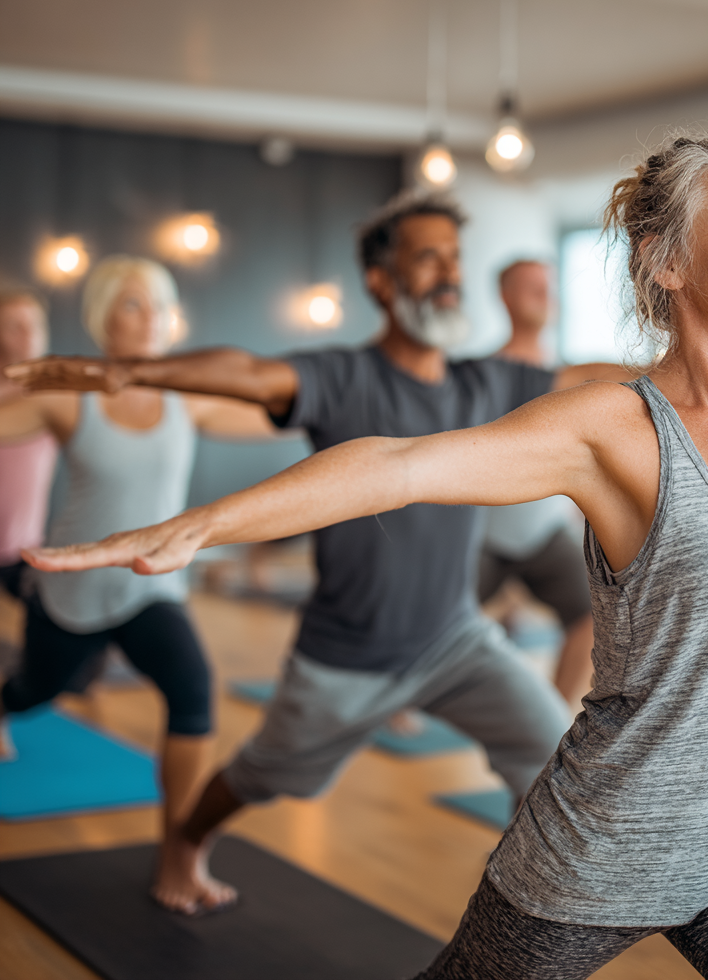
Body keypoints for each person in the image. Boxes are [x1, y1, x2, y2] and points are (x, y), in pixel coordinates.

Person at [18, 120, 708, 977]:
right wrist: (198, 523)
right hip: (597, 854)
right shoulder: (615, 430)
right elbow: (395, 466)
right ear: (664, 261)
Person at [8, 191, 624, 917]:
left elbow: (589, 378)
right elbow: (246, 370)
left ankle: (528, 906)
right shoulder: (344, 376)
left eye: (454, 259)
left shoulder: (481, 382)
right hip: (345, 659)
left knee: (551, 751)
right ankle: (184, 840)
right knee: (260, 778)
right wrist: (138, 372)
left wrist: (704, 368)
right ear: (381, 281)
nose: (448, 274)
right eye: (428, 258)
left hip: (456, 641)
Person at [0, 256, 275, 880]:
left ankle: (179, 854)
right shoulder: (73, 399)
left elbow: (275, 413)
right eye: (132, 305)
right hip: (72, 586)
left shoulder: (188, 400)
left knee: (192, 691)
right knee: (35, 689)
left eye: (159, 305)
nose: (150, 319)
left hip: (153, 586)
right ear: (103, 321)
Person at [479, 260, 595, 708]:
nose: (544, 295)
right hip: (484, 535)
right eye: (532, 287)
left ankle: (551, 715)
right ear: (506, 297)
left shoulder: (572, 378)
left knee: (591, 617)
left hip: (545, 533)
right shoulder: (481, 374)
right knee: (428, 617)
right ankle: (398, 708)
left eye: (549, 287)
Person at [0, 287, 57, 602]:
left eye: (35, 325)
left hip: (23, 548)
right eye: (15, 326)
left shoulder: (55, 396)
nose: (29, 335)